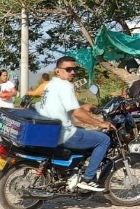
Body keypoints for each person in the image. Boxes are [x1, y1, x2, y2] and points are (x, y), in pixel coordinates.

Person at [33, 56, 114, 192]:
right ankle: (88, 178)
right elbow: (76, 113)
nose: (72, 72)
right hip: (63, 133)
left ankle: (71, 172)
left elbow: (65, 105)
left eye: (74, 69)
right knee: (103, 140)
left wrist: (84, 105)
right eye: (68, 69)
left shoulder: (51, 84)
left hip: (52, 131)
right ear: (58, 71)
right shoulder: (65, 85)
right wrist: (101, 123)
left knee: (82, 130)